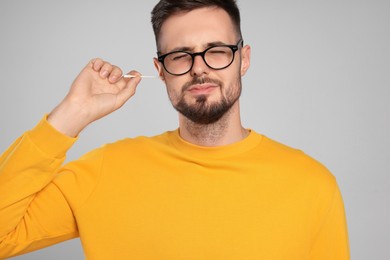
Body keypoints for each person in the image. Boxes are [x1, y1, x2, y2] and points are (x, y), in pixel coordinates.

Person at [0, 0, 349, 259]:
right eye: (181, 55)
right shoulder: (104, 171)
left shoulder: (311, 184)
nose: (199, 69)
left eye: (216, 51)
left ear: (243, 59)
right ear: (161, 69)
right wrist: (71, 114)